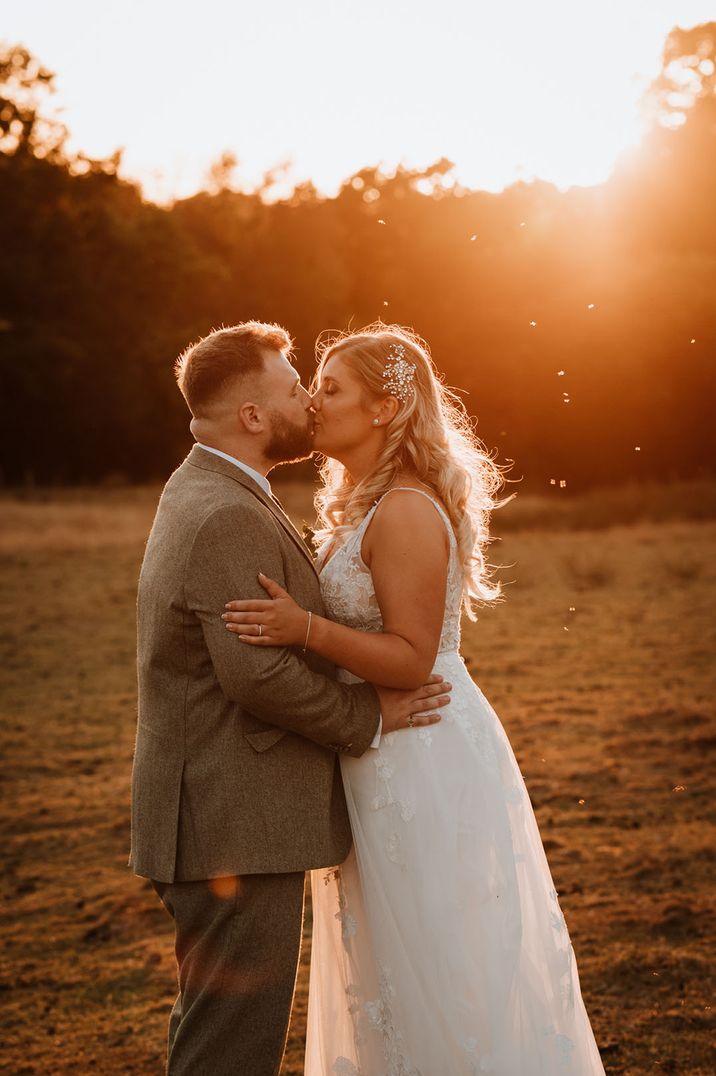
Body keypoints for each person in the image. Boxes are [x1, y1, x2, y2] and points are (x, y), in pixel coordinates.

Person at [223, 324, 606, 1074]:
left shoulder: (404, 508)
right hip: (377, 749)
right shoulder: (363, 503)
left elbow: (410, 657)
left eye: (332, 388)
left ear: (385, 409)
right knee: (388, 967)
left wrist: (303, 629)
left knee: (442, 960)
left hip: (423, 750)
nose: (313, 401)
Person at [128, 321, 451, 1076]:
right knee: (229, 1046)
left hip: (219, 813)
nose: (307, 401)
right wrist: (369, 717)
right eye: (294, 387)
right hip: (229, 821)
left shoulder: (208, 486)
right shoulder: (228, 512)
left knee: (216, 1028)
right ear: (251, 416)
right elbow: (257, 675)